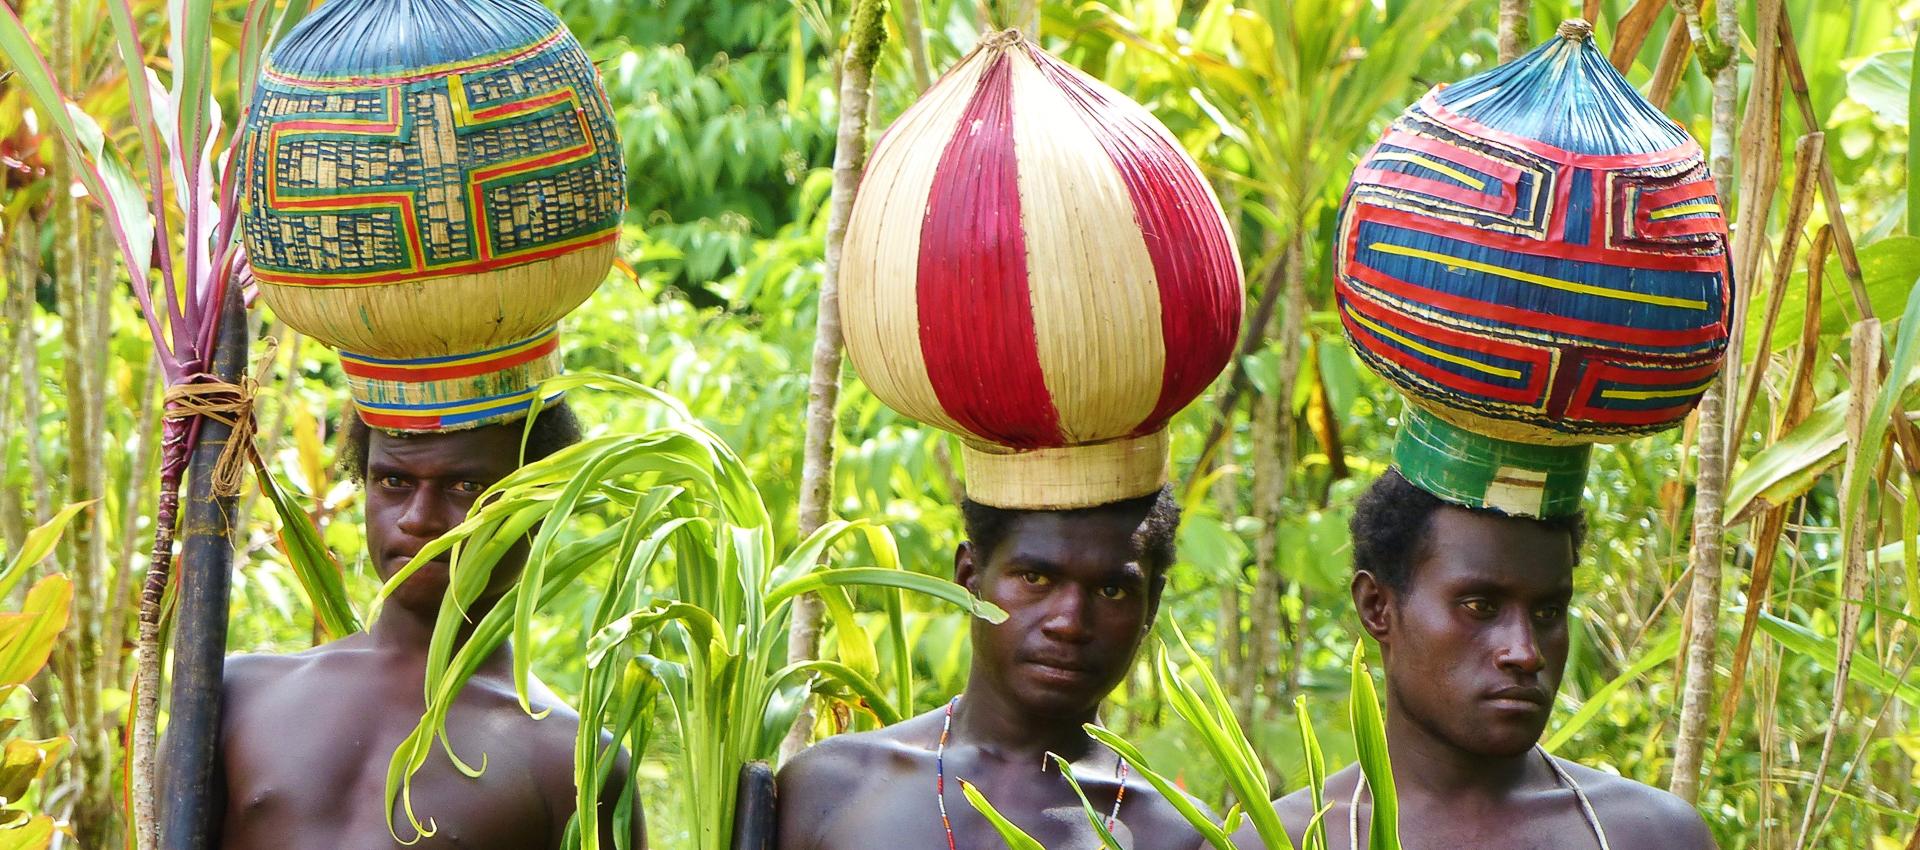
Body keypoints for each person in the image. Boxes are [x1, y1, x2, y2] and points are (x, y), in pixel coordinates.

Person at [214, 403, 648, 850]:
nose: (418, 519)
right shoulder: (238, 694)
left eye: (465, 487)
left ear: (539, 508)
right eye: (394, 482)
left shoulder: (571, 764)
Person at [1234, 470, 1713, 850]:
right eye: (1480, 607)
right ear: (1377, 607)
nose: (1526, 652)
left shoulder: (1652, 835)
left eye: (1548, 612)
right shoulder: (1284, 840)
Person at [776, 487, 1207, 850]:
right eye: (1035, 578)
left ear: (1150, 604)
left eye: (1111, 590)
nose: (1070, 623)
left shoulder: (1180, 835)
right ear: (969, 577)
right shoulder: (829, 787)